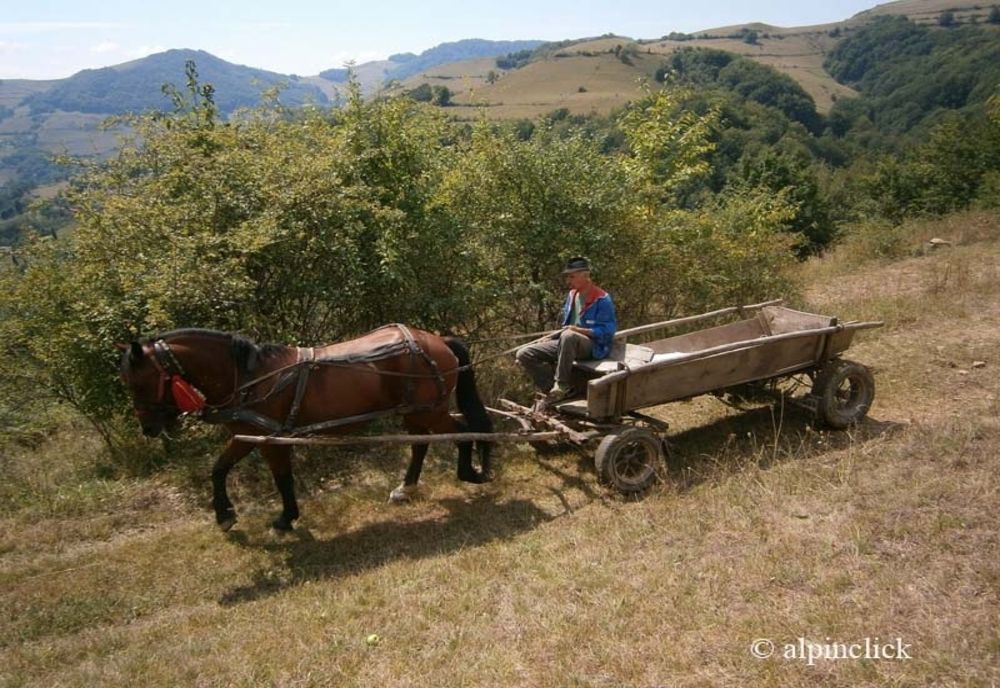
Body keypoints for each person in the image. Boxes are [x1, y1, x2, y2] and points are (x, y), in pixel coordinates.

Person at [515, 256, 618, 403]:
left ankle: (561, 385)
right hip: (568, 342)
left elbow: (607, 332)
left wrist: (579, 331)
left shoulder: (602, 299)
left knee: (569, 335)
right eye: (567, 276)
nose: (568, 281)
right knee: (524, 353)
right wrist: (551, 338)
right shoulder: (572, 295)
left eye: (572, 276)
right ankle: (552, 389)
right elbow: (566, 325)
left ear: (585, 275)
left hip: (592, 346)